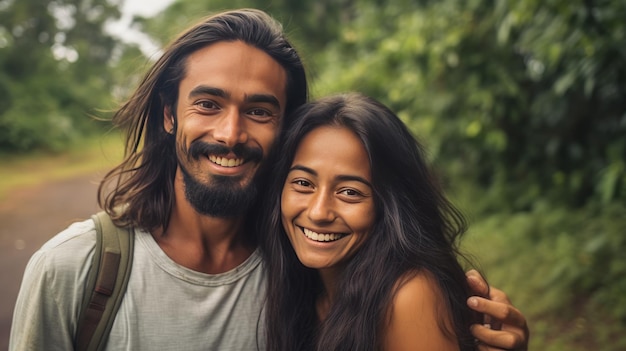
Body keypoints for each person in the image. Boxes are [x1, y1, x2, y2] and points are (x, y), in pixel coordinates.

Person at [9, 9, 528, 351]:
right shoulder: (73, 270)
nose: (230, 134)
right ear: (169, 115)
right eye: (208, 104)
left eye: (259, 110)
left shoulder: (308, 262)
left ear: (287, 128)